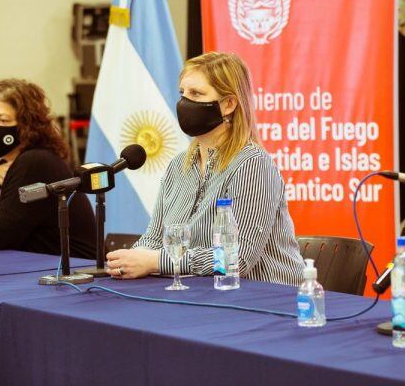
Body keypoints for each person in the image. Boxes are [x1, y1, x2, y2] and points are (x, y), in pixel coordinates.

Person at [106, 52, 305, 286]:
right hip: (202, 293)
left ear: (229, 104)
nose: (184, 103)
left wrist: (156, 262)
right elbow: (155, 237)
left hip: (265, 297)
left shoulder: (253, 163)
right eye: (182, 93)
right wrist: (128, 262)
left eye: (196, 94)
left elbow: (236, 258)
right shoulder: (178, 166)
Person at [0, 79, 95, 258]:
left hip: (72, 272)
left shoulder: (36, 162)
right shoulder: (4, 166)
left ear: (26, 125)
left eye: (3, 120)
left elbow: (1, 238)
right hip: (37, 268)